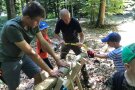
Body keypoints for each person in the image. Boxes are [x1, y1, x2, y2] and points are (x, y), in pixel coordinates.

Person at [0, 1, 68, 90]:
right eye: (37, 21)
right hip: (8, 59)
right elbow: (31, 53)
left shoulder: (33, 24)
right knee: (14, 86)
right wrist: (50, 70)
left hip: (22, 55)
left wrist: (57, 60)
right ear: (27, 18)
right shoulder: (12, 28)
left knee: (39, 76)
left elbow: (43, 42)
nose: (39, 24)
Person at [54, 8, 90, 87]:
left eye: (68, 18)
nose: (67, 21)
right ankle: (60, 79)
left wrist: (81, 42)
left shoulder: (75, 22)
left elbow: (82, 35)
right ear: (61, 18)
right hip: (65, 43)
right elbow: (56, 34)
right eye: (64, 19)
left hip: (75, 43)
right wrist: (60, 40)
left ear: (70, 16)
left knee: (81, 60)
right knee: (61, 59)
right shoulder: (59, 22)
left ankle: (86, 79)